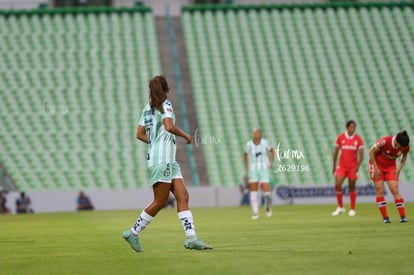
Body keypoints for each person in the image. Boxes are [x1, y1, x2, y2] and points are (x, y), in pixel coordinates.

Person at [122, 75, 212, 252]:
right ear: (165, 90)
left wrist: (155, 142)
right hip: (162, 160)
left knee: (183, 196)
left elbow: (139, 134)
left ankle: (191, 238)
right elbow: (169, 126)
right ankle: (133, 232)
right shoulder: (166, 104)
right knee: (160, 201)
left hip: (169, 161)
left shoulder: (147, 109)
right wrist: (186, 135)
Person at [369, 130, 410, 223]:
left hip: (391, 167)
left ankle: (403, 217)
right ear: (396, 142)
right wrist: (376, 168)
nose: (402, 148)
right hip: (377, 165)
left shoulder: (405, 146)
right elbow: (371, 152)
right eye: (401, 146)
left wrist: (399, 168)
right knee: (380, 189)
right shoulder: (384, 141)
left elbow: (404, 156)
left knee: (395, 189)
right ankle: (385, 218)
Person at [331, 120, 364, 217]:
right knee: (337, 184)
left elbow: (361, 154)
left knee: (352, 187)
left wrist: (358, 166)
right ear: (347, 127)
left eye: (354, 127)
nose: (353, 129)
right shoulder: (341, 137)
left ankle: (352, 209)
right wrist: (334, 165)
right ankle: (340, 207)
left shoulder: (358, 139)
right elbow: (336, 152)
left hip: (352, 167)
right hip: (342, 166)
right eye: (351, 127)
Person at [244, 128, 275, 219]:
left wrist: (271, 162)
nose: (256, 134)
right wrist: (247, 167)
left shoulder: (265, 142)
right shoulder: (249, 144)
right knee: (254, 191)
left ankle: (267, 206)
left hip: (263, 169)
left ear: (260, 134)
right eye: (254, 133)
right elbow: (245, 154)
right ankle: (255, 212)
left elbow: (272, 151)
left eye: (257, 133)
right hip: (253, 169)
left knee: (266, 190)